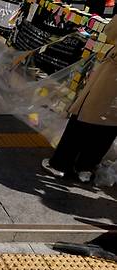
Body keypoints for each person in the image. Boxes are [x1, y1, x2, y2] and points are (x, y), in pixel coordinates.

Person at [42, 19, 117, 182]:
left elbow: (111, 32)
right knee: (109, 127)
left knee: (83, 120)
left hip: (111, 78)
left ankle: (60, 164)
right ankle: (86, 168)